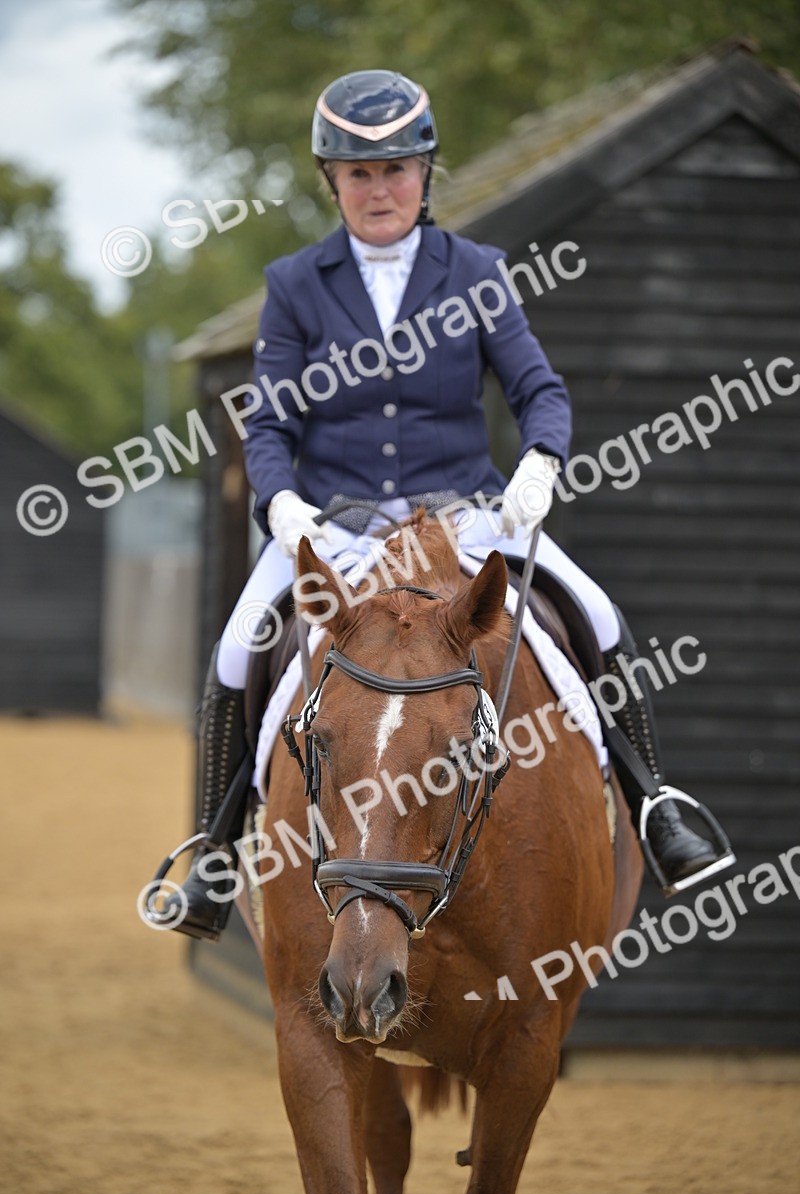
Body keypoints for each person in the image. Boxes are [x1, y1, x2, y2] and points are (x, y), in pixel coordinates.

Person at [169, 69, 732, 941]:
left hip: (464, 514)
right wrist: (281, 507)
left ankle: (657, 804)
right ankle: (212, 851)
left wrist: (540, 464)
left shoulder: (477, 272)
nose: (380, 188)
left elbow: (539, 389)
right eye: (359, 173)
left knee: (598, 615)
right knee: (241, 647)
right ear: (332, 181)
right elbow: (270, 421)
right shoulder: (296, 283)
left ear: (426, 172)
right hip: (337, 524)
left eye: (397, 168)